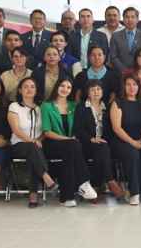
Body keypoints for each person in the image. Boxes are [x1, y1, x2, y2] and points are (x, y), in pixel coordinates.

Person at [40, 78, 99, 207]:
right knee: (72, 146)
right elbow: (47, 131)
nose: (65, 89)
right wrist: (67, 139)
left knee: (70, 152)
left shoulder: (74, 106)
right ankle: (84, 183)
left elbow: (78, 128)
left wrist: (71, 140)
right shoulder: (46, 106)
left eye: (68, 87)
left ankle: (67, 197)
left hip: (71, 145)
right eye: (62, 85)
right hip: (52, 143)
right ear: (57, 86)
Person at [7, 77, 57, 208]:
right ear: (20, 90)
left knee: (33, 153)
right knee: (32, 148)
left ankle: (33, 195)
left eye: (32, 87)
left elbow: (46, 129)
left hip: (37, 145)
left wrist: (38, 140)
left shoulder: (41, 108)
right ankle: (46, 177)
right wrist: (33, 141)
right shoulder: (14, 106)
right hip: (18, 145)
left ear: (36, 90)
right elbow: (16, 130)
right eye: (25, 87)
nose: (29, 89)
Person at [74, 79, 125, 201]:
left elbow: (112, 129)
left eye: (98, 89)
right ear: (87, 92)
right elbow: (78, 129)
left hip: (105, 143)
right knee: (102, 149)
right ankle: (110, 181)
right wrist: (91, 139)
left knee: (102, 149)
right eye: (92, 90)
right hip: (87, 143)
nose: (96, 92)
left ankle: (96, 187)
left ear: (102, 91)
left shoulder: (107, 107)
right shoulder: (81, 107)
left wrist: (104, 140)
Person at [110, 75, 141, 205]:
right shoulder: (117, 103)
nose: (131, 87)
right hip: (121, 141)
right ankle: (134, 192)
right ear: (123, 87)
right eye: (128, 84)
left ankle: (139, 189)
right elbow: (116, 128)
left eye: (134, 84)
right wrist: (132, 142)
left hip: (140, 140)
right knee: (132, 153)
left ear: (139, 87)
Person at [109, 6, 141, 72]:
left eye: (132, 17)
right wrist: (124, 70)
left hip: (139, 72)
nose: (130, 19)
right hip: (120, 72)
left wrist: (137, 69)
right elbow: (113, 56)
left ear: (137, 19)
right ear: (123, 19)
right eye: (127, 17)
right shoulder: (115, 36)